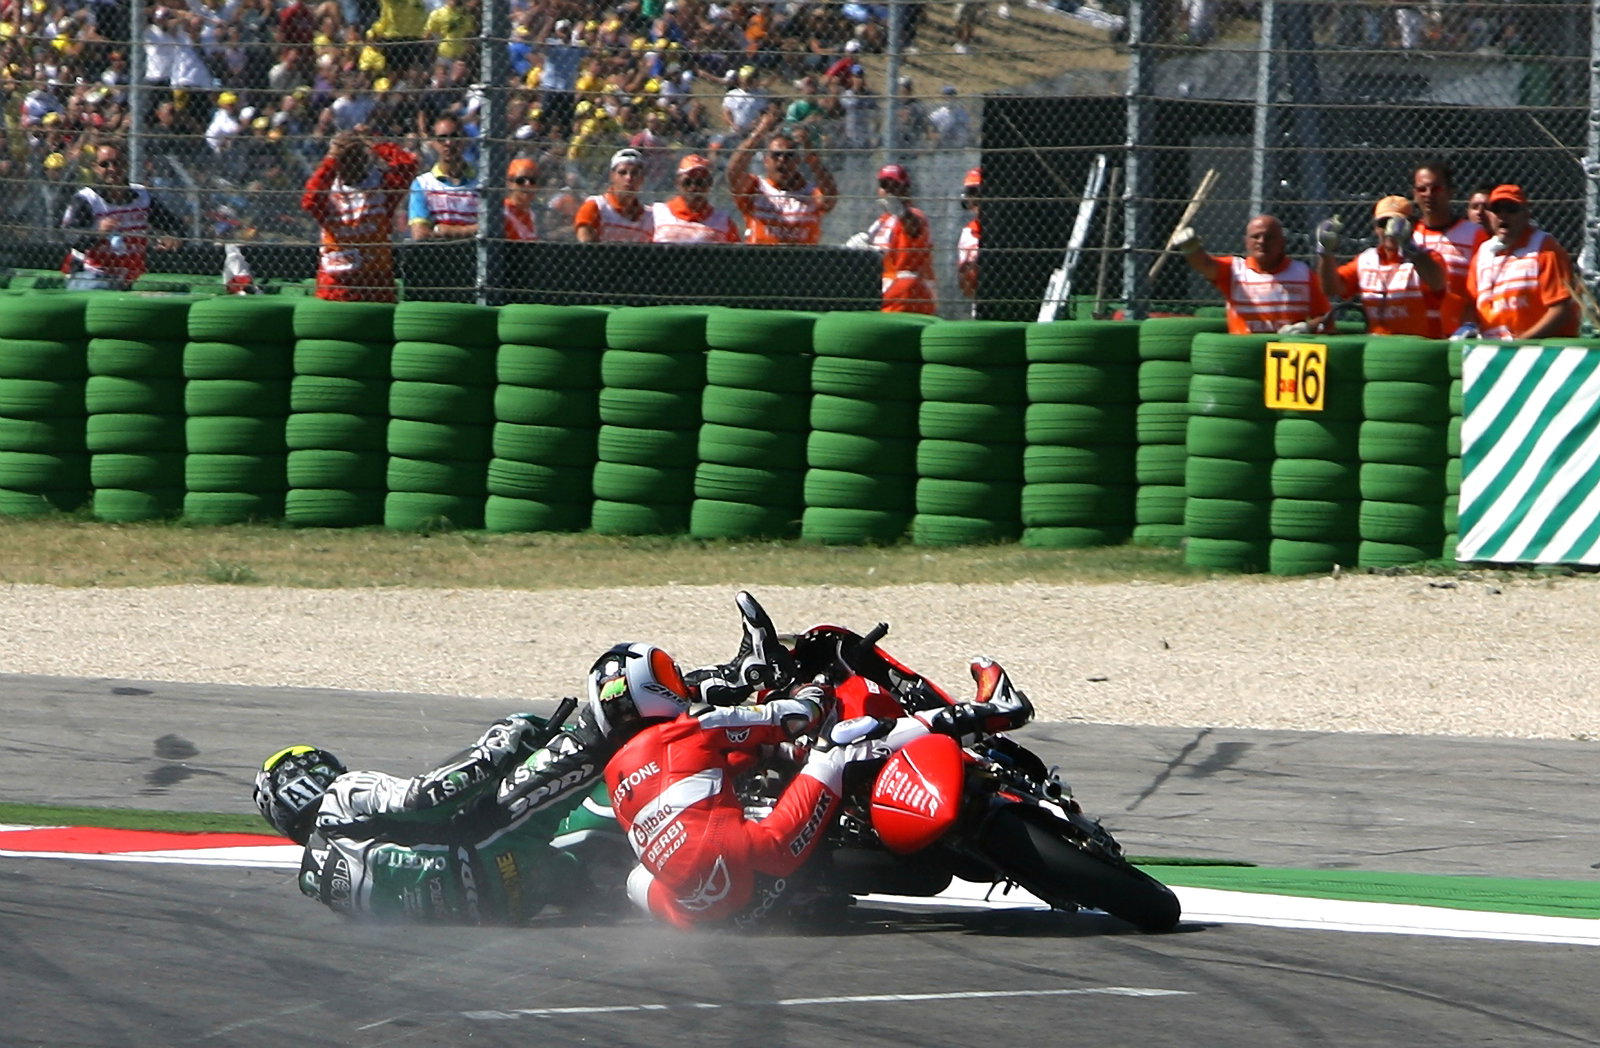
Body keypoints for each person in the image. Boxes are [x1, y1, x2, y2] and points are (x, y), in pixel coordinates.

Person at [253, 592, 802, 923]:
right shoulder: (341, 800)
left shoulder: (322, 888)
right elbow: (426, 797)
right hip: (487, 848)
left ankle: (759, 875)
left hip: (510, 907)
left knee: (610, 860)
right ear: (312, 778)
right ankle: (742, 681)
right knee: (603, 720)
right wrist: (501, 744)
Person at [607, 653, 1035, 930]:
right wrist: (810, 690)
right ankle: (990, 712)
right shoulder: (690, 729)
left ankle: (806, 897)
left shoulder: (616, 779)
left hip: (711, 915)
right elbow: (796, 716)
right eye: (666, 674)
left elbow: (698, 784)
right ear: (647, 692)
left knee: (639, 876)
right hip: (764, 853)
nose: (678, 681)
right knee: (839, 748)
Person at [301, 129, 419, 302]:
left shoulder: (382, 185)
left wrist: (373, 142)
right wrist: (332, 157)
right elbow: (309, 201)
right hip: (335, 285)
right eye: (344, 158)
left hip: (376, 282)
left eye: (355, 156)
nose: (349, 163)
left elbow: (408, 165)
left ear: (364, 158)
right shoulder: (327, 190)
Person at [1174, 213, 1331, 334]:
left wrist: (1306, 327)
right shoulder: (1234, 270)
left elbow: (1327, 318)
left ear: (1282, 242)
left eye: (1269, 237)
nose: (1261, 241)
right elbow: (1205, 265)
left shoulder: (1304, 274)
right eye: (1256, 236)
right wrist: (1191, 249)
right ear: (1246, 242)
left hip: (1287, 355)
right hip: (1244, 353)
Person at [1315, 195, 1446, 337]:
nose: (1390, 230)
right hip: (1378, 344)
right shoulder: (1366, 259)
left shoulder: (1427, 257)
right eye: (1383, 223)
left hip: (1419, 345)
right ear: (1375, 228)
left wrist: (1408, 245)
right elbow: (1331, 289)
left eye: (1397, 223)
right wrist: (1326, 252)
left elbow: (1437, 283)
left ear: (1413, 225)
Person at [1462, 184, 1579, 341]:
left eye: (1511, 209)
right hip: (1493, 348)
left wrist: (1521, 343)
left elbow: (1560, 310)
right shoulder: (1483, 254)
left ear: (1526, 214)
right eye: (1496, 210)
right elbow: (1471, 305)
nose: (1503, 215)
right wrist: (1468, 328)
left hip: (1537, 348)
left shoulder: (1545, 249)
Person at [60, 142, 184, 290]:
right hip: (92, 274)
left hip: (133, 274)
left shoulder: (143, 196)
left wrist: (171, 237)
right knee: (101, 286)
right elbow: (69, 236)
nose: (112, 169)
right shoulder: (87, 199)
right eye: (104, 164)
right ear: (95, 168)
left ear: (126, 165)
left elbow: (176, 225)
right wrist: (96, 233)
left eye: (117, 163)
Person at [727, 110, 838, 245]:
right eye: (776, 155)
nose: (782, 160)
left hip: (802, 256)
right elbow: (734, 171)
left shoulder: (810, 193)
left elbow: (830, 198)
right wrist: (759, 132)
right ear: (766, 161)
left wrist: (811, 155)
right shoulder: (756, 187)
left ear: (797, 161)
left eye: (789, 155)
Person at [1410, 160, 1488, 339]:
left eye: (1436, 188)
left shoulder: (1475, 233)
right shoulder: (1409, 235)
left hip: (1459, 333)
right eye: (1422, 189)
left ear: (1450, 192)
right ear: (1414, 194)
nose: (1429, 195)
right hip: (1418, 334)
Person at [862, 163, 936, 315]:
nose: (889, 190)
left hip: (908, 293)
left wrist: (902, 211)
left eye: (894, 185)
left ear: (905, 189)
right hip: (885, 290)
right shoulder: (881, 221)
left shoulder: (914, 216)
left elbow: (913, 227)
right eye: (884, 184)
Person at [409, 117, 479, 240]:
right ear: (433, 142)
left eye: (454, 137)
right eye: (442, 138)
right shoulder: (422, 184)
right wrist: (472, 230)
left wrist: (445, 230)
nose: (448, 143)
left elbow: (492, 227)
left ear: (465, 140)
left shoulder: (481, 182)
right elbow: (420, 234)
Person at [650, 154, 741, 243]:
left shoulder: (723, 222)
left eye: (699, 182)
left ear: (710, 184)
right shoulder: (656, 214)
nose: (693, 188)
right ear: (677, 182)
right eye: (687, 182)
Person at [574, 147, 654, 243]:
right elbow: (585, 245)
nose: (629, 178)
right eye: (622, 172)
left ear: (642, 178)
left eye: (635, 173)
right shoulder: (596, 207)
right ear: (612, 176)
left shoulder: (650, 217)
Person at [957, 166, 981, 313]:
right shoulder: (968, 233)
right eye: (971, 193)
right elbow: (966, 289)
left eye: (977, 192)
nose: (975, 198)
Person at [503, 157, 542, 241]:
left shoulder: (536, 214)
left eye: (532, 180)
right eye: (521, 180)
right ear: (510, 183)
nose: (527, 184)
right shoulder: (503, 210)